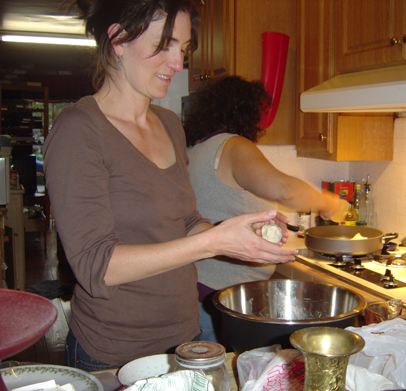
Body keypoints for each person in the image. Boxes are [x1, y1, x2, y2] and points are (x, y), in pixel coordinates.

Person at [43, 0, 297, 371]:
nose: (178, 63)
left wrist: (236, 237)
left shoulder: (169, 124)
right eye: (164, 46)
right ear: (118, 40)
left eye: (183, 48)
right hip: (113, 351)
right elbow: (96, 267)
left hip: (185, 338)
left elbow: (187, 220)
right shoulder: (79, 130)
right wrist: (211, 242)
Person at [183, 75, 341, 344]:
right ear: (246, 112)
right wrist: (330, 203)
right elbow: (285, 190)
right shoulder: (232, 146)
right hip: (220, 300)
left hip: (199, 292)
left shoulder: (197, 149)